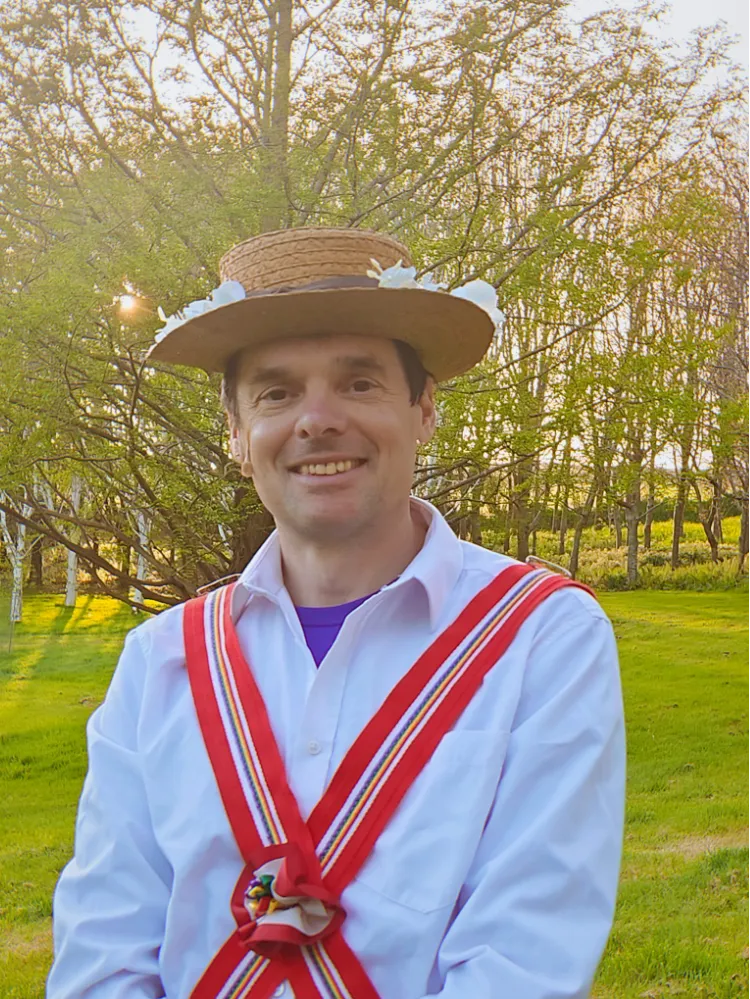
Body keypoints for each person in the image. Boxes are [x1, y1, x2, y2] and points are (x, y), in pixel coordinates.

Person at [48, 228, 625, 999]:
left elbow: (523, 958)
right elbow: (104, 948)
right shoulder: (162, 661)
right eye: (277, 392)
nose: (317, 420)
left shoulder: (543, 639)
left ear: (423, 408)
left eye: (359, 383)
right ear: (236, 433)